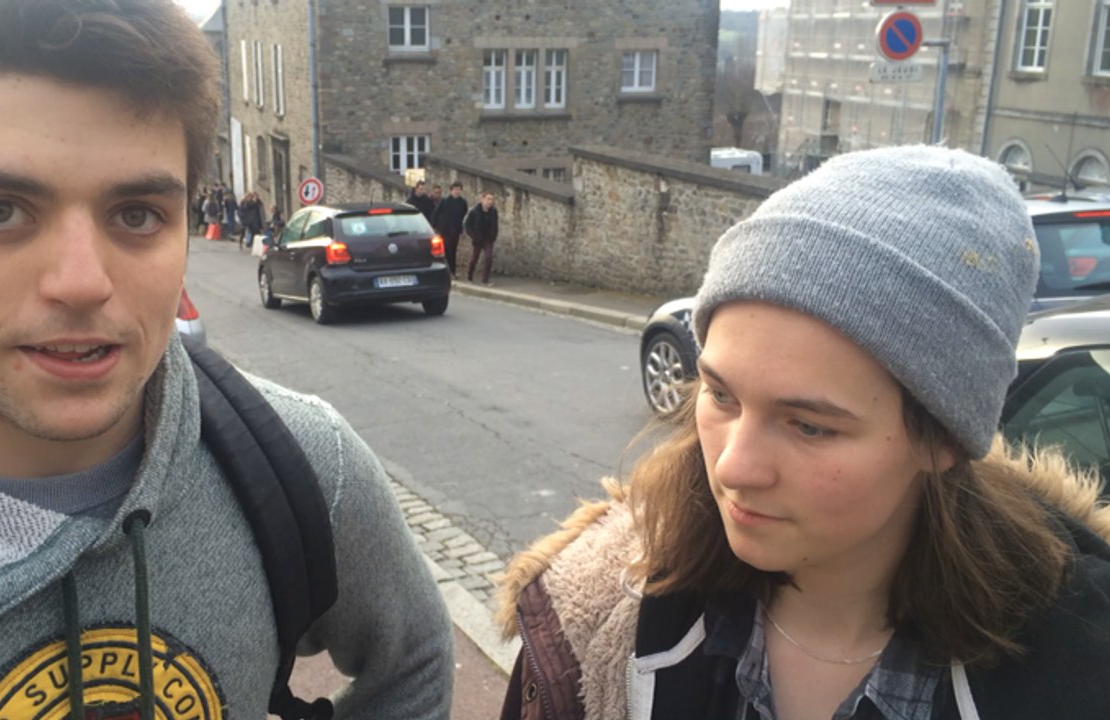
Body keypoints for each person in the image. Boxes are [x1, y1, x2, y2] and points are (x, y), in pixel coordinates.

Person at [0, 0, 454, 717]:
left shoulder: (300, 467)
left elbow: (415, 660)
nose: (81, 282)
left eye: (136, 215)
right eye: (0, 210)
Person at [497, 146, 1110, 719]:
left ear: (943, 439)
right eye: (720, 394)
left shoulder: (1076, 666)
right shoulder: (592, 622)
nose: (734, 468)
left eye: (810, 426)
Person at [432, 181, 468, 279]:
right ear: (451, 190)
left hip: (455, 230)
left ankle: (452, 271)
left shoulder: (463, 202)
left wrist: (463, 229)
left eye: (458, 189)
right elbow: (436, 213)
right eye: (455, 189)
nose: (457, 191)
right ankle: (449, 271)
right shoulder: (445, 201)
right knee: (447, 251)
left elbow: (464, 216)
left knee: (453, 250)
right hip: (445, 230)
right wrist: (435, 227)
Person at [464, 191, 499, 286]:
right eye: (488, 199)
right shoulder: (475, 211)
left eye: (491, 199)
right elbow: (467, 225)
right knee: (474, 258)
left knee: (489, 257)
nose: (490, 202)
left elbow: (495, 225)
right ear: (482, 199)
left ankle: (485, 279)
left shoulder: (493, 212)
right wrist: (473, 235)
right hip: (478, 238)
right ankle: (469, 275)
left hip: (488, 238)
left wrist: (493, 236)